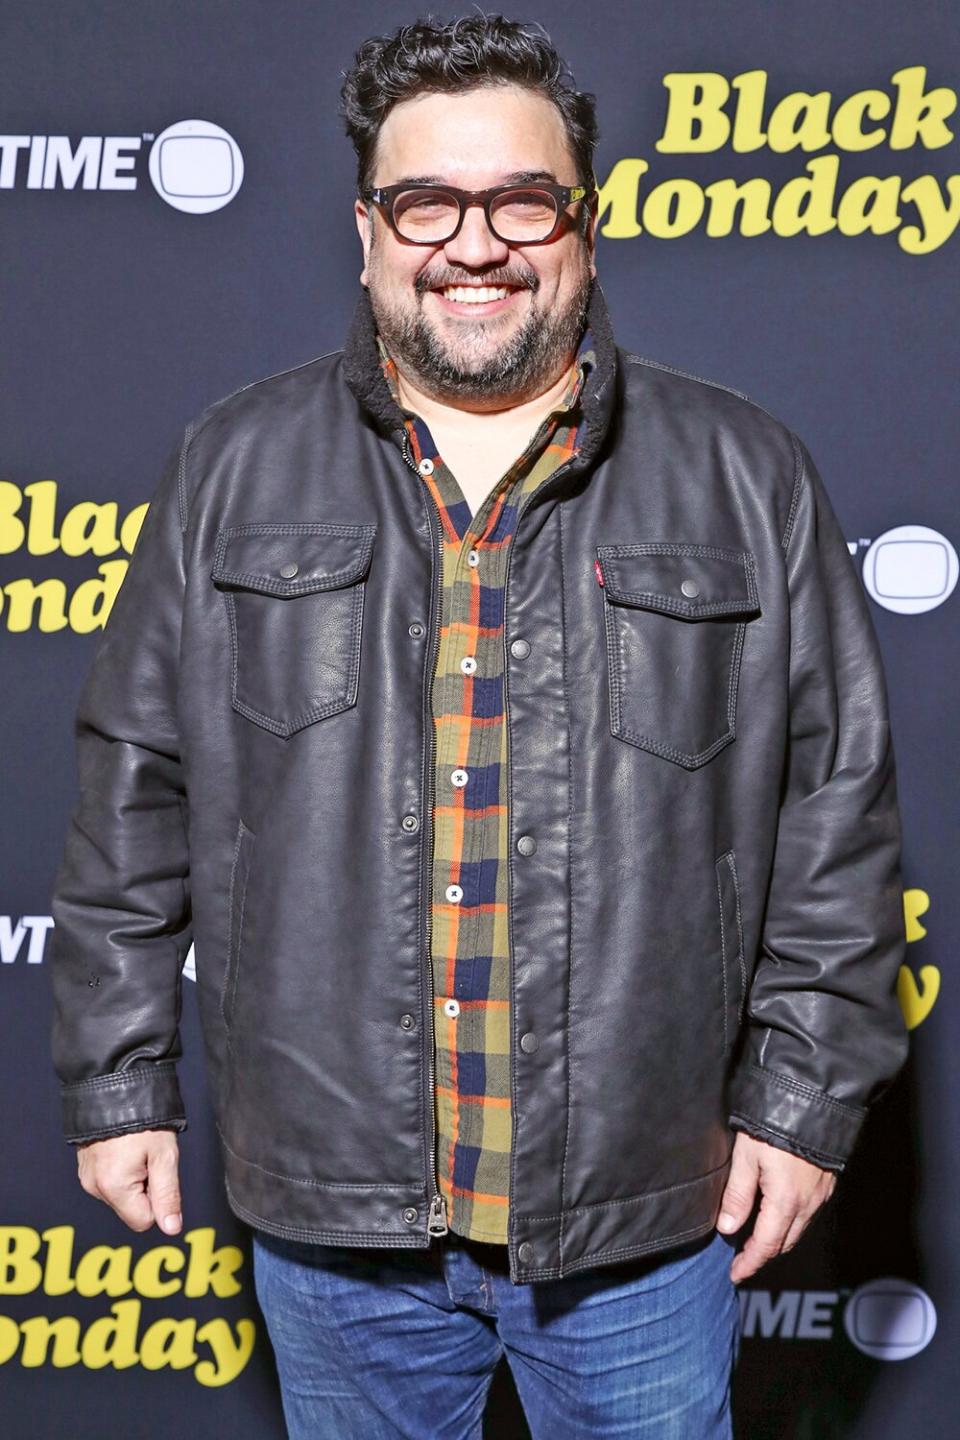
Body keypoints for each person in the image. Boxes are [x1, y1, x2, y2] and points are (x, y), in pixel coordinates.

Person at [48, 14, 910, 1438]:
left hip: (646, 1224)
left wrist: (802, 1107)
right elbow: (134, 794)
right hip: (332, 1233)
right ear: (370, 230)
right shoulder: (232, 465)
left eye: (522, 200)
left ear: (583, 221)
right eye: (426, 202)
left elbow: (835, 815)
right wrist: (122, 1082)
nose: (475, 243)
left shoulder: (745, 475)